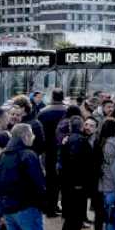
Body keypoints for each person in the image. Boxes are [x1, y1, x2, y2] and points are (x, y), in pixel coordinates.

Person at [56, 116, 92, 230]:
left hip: (67, 183)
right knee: (76, 215)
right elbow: (80, 164)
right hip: (77, 184)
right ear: (82, 126)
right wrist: (80, 183)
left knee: (70, 214)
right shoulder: (81, 141)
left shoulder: (67, 140)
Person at [36, 89, 68, 219]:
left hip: (48, 150)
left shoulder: (43, 112)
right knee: (63, 180)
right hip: (65, 149)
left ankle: (50, 207)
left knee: (50, 180)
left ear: (52, 97)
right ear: (62, 97)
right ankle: (60, 207)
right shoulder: (67, 111)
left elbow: (39, 132)